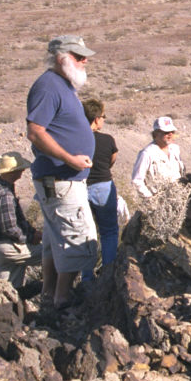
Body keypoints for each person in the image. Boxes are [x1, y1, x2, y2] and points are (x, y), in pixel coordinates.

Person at [26, 35, 98, 310]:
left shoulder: (63, 86)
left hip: (62, 179)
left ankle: (50, 295)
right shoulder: (48, 87)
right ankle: (62, 298)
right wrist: (70, 159)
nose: (85, 61)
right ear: (61, 58)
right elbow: (35, 132)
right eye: (78, 57)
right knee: (75, 235)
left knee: (56, 239)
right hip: (61, 179)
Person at [0, 151, 42, 290]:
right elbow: (10, 227)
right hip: (8, 246)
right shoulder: (5, 194)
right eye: (20, 169)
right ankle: (53, 293)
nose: (22, 171)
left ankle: (9, 308)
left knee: (8, 289)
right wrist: (29, 238)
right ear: (13, 172)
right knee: (52, 254)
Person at [81, 99, 122, 282]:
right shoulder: (107, 140)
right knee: (109, 231)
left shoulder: (77, 140)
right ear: (96, 119)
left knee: (85, 233)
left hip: (81, 188)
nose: (104, 120)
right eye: (103, 117)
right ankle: (108, 273)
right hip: (103, 186)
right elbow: (112, 160)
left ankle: (87, 277)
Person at [131, 116, 185, 198]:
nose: (170, 134)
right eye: (166, 132)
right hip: (158, 202)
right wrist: (151, 199)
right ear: (156, 133)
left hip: (178, 198)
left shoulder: (175, 149)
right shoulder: (147, 153)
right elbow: (137, 181)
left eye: (172, 132)